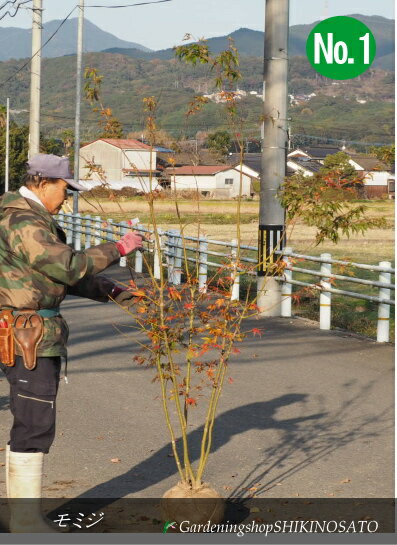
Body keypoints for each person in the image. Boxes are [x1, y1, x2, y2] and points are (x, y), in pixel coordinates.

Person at [0, 154, 144, 532]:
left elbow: (52, 274)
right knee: (33, 422)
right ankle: (25, 520)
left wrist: (111, 290)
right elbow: (65, 266)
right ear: (43, 182)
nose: (67, 198)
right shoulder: (23, 219)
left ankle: (19, 515)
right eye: (65, 189)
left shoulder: (21, 215)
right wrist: (120, 248)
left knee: (30, 419)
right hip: (27, 334)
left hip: (20, 329)